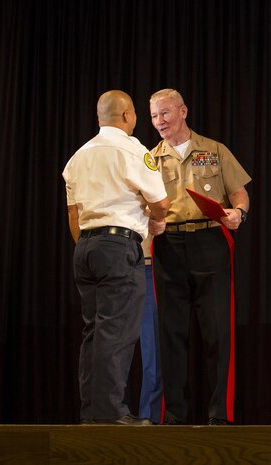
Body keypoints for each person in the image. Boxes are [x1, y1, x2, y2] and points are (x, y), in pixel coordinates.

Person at [62, 90, 170, 425]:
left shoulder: (78, 157)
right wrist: (152, 216)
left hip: (86, 248)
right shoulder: (133, 150)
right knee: (118, 331)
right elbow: (162, 203)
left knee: (94, 332)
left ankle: (91, 413)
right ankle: (110, 414)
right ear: (127, 116)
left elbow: (73, 216)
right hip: (118, 247)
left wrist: (90, 246)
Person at [148, 88, 251, 425]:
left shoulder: (214, 150)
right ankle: (175, 417)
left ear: (183, 111)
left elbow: (239, 192)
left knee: (218, 333)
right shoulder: (149, 159)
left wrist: (238, 212)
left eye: (164, 113)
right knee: (171, 334)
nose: (159, 121)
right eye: (153, 116)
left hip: (210, 240)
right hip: (168, 246)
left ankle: (220, 417)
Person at [138, 235, 163, 424]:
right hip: (125, 261)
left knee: (153, 348)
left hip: (153, 264)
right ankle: (108, 412)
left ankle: (150, 416)